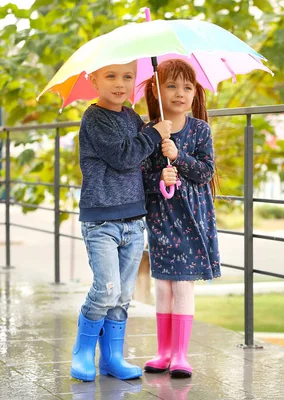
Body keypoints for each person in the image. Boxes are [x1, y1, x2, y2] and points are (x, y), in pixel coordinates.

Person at [71, 61, 172, 382]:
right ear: (93, 80)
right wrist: (154, 133)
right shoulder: (95, 119)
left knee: (123, 295)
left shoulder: (132, 117)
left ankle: (112, 356)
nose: (120, 83)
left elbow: (140, 166)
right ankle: (83, 352)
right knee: (106, 290)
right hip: (102, 221)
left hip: (133, 219)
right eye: (110, 76)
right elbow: (124, 156)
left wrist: (162, 170)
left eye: (127, 77)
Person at [141, 59, 221, 378]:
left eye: (187, 87)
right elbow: (142, 179)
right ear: (156, 90)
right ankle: (163, 351)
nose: (180, 93)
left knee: (184, 283)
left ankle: (181, 355)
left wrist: (178, 157)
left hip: (192, 218)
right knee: (163, 283)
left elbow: (205, 173)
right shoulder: (149, 133)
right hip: (162, 217)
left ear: (195, 93)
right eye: (171, 86)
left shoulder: (200, 130)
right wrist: (160, 176)